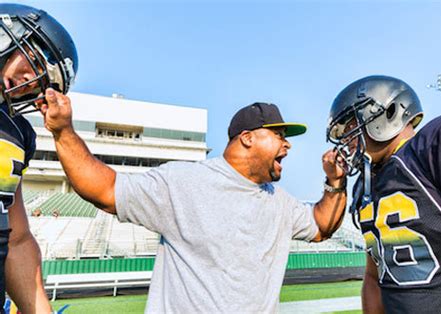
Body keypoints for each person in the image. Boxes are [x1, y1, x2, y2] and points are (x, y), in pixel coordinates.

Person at [41, 95, 347, 312]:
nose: (287, 144)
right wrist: (63, 131)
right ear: (247, 138)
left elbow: (322, 226)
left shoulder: (279, 201)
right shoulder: (182, 182)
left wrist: (335, 183)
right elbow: (105, 189)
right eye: (278, 135)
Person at [326, 75, 441, 313]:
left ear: (389, 111)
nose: (347, 139)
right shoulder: (365, 185)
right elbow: (374, 276)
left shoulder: (433, 144)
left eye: (351, 125)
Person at [0, 3, 78, 312]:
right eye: (32, 60)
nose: (32, 80)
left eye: (41, 81)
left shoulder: (17, 131)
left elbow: (16, 240)